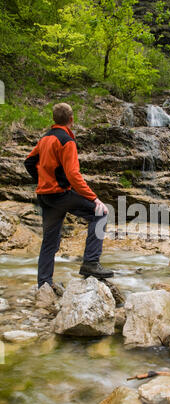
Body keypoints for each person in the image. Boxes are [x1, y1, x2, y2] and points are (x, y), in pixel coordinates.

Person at [24, 102, 113, 289]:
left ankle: (44, 283)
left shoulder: (44, 138)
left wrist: (42, 180)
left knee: (50, 239)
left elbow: (29, 162)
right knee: (100, 213)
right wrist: (94, 199)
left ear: (54, 119)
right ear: (71, 120)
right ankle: (90, 263)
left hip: (45, 196)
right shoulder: (67, 141)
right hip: (60, 195)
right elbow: (73, 175)